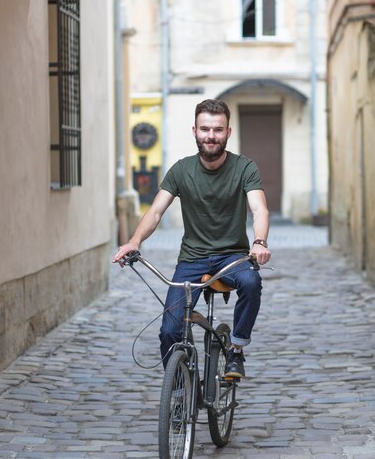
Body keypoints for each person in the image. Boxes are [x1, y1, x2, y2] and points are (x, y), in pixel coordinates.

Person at [113, 98, 271, 377]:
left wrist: (259, 242)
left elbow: (259, 208)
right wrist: (134, 241)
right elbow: (156, 211)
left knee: (251, 281)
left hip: (232, 256)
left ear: (228, 133)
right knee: (168, 331)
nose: (211, 136)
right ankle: (178, 394)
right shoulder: (181, 170)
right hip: (192, 260)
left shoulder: (244, 168)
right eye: (205, 129)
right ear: (195, 131)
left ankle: (236, 348)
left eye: (218, 130)